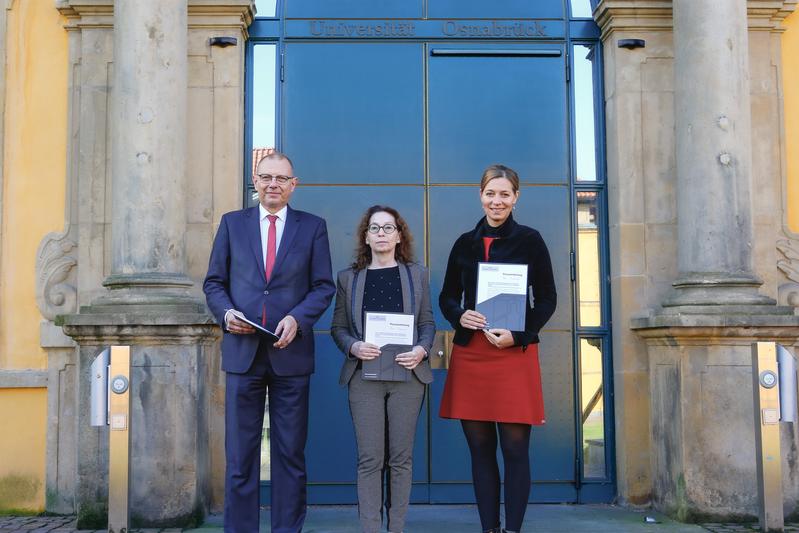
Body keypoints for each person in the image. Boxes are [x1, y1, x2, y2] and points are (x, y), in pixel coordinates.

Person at [203, 151, 335, 533]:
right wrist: (227, 315)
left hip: (290, 354)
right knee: (240, 456)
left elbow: (322, 286)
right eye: (266, 177)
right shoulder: (232, 224)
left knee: (290, 454)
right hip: (242, 354)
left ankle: (286, 529)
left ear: (294, 185)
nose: (273, 184)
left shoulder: (313, 227)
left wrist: (298, 318)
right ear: (255, 182)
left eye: (281, 178)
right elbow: (214, 282)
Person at [438, 164, 557, 533]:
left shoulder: (531, 240)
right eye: (491, 193)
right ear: (481, 195)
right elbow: (446, 297)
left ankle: (513, 530)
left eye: (505, 194)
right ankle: (489, 528)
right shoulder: (463, 243)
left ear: (516, 197)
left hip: (513, 354)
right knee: (480, 451)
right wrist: (461, 315)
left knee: (516, 450)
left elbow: (548, 299)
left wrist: (520, 335)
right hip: (473, 353)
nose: (497, 200)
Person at [331, 205, 435, 533]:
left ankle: (397, 528)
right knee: (370, 459)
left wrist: (421, 350)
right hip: (365, 377)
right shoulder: (349, 278)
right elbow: (338, 327)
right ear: (365, 236)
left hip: (407, 377)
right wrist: (353, 346)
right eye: (374, 228)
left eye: (388, 228)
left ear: (399, 235)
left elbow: (427, 322)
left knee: (401, 459)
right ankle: (371, 529)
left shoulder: (417, 274)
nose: (381, 234)